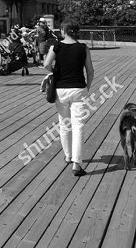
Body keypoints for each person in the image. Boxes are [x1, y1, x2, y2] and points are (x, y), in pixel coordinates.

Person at [43, 21, 95, 177]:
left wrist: (55, 72)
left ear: (63, 31)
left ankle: (68, 155)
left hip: (61, 89)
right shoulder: (83, 48)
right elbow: (90, 71)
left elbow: (46, 64)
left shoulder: (56, 47)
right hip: (78, 88)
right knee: (78, 126)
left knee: (64, 123)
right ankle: (77, 164)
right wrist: (87, 87)